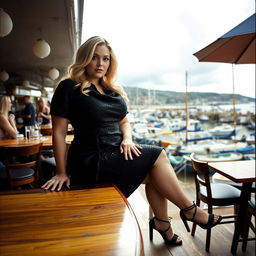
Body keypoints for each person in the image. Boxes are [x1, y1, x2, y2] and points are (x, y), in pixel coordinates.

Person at [42, 36, 222, 245]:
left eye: (106, 59)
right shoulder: (69, 87)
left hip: (117, 151)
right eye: (94, 58)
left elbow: (124, 122)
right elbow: (59, 133)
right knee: (158, 155)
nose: (101, 64)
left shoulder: (111, 89)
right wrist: (62, 172)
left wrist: (127, 139)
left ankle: (163, 223)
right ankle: (190, 211)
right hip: (93, 158)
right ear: (84, 59)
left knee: (156, 173)